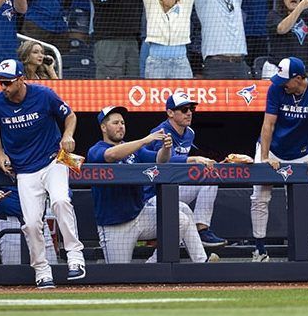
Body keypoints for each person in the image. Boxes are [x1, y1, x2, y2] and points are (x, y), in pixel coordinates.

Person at [0, 58, 85, 288]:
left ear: (21, 79)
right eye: (1, 82)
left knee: (60, 201)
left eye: (8, 82)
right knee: (30, 223)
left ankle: (75, 256)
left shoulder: (44, 94)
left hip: (52, 160)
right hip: (24, 170)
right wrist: (0, 153)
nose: (4, 87)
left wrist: (68, 135)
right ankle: (42, 270)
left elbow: (70, 115)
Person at [87, 105, 216, 264]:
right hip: (115, 224)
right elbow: (111, 155)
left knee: (180, 220)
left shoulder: (136, 151)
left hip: (139, 216)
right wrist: (144, 140)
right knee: (119, 275)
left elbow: (160, 160)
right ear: (103, 127)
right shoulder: (96, 149)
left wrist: (166, 148)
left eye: (122, 123)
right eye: (115, 123)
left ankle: (153, 264)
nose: (120, 126)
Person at [251, 56, 308, 262]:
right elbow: (268, 124)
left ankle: (299, 248)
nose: (282, 84)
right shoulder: (276, 89)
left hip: (299, 153)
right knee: (260, 197)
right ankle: (259, 250)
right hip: (271, 148)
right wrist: (264, 157)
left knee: (297, 201)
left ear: (298, 78)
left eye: (286, 81)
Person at [141, 92, 227, 247]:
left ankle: (202, 229)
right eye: (184, 109)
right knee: (182, 213)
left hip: (175, 186)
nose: (189, 113)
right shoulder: (160, 133)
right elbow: (164, 161)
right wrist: (193, 159)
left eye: (191, 109)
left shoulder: (190, 133)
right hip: (153, 194)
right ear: (170, 113)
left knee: (210, 178)